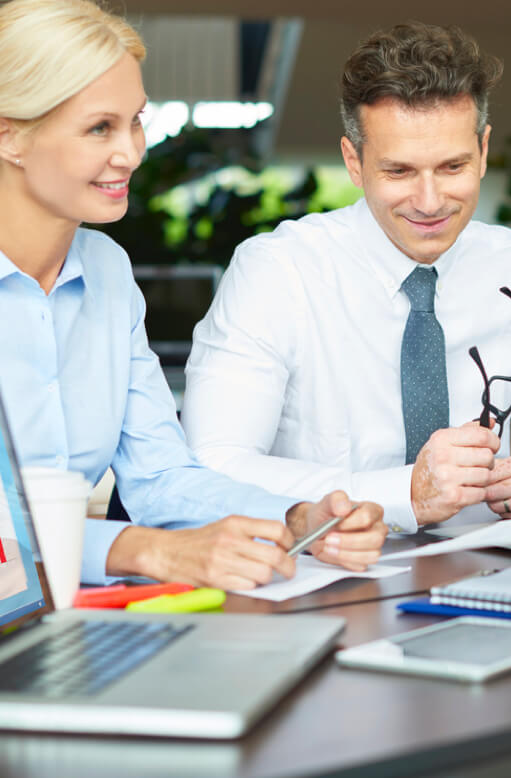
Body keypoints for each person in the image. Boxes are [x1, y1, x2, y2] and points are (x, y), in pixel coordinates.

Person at [0, 0, 387, 589]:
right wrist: (145, 550)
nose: (131, 152)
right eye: (98, 127)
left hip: (69, 622)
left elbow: (160, 474)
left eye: (134, 120)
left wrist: (292, 518)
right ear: (9, 137)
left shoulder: (107, 272)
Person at [180, 22, 511, 535]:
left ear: (484, 150)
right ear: (353, 162)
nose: (430, 202)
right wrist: (404, 494)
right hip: (325, 573)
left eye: (452, 167)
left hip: (486, 569)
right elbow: (214, 466)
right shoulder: (276, 273)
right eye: (399, 172)